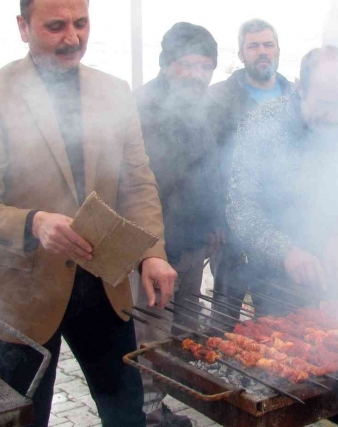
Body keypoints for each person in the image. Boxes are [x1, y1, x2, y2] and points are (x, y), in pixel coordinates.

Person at [0, 0, 177, 427]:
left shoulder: (113, 93)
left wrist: (151, 253)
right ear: (23, 26)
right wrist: (35, 222)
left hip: (103, 282)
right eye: (55, 25)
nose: (72, 37)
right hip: (21, 294)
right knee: (24, 420)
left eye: (81, 23)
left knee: (127, 416)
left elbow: (137, 183)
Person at [228, 45, 338, 426]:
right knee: (285, 381)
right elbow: (239, 206)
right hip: (275, 274)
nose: (334, 114)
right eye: (325, 102)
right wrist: (288, 251)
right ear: (299, 86)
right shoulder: (262, 122)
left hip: (335, 269)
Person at [132, 22, 223, 427]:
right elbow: (135, 185)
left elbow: (210, 170)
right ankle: (147, 414)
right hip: (153, 246)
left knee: (183, 327)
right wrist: (149, 248)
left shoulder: (204, 108)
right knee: (150, 332)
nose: (197, 75)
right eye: (187, 64)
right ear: (167, 65)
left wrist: (214, 222)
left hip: (192, 241)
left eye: (205, 67)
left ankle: (161, 403)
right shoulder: (140, 108)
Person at [207, 19, 295, 321]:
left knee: (276, 314)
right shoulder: (218, 97)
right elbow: (207, 163)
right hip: (230, 225)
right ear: (242, 54)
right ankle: (218, 364)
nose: (262, 52)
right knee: (224, 314)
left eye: (268, 45)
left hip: (281, 226)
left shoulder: (295, 97)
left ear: (278, 50)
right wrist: (216, 218)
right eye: (253, 46)